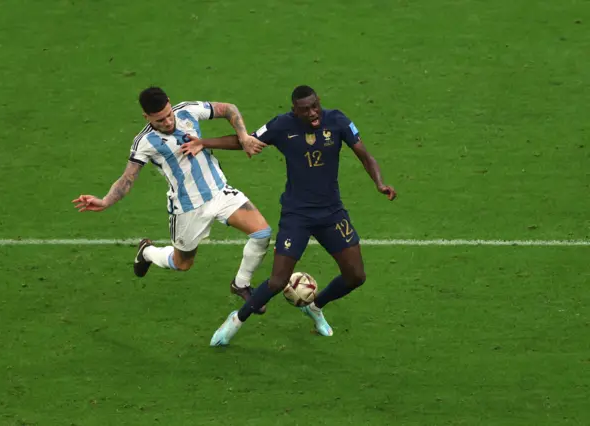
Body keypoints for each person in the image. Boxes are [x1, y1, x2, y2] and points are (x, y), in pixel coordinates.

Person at [180, 85, 397, 346]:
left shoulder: (337, 121)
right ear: (295, 111)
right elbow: (245, 140)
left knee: (356, 276)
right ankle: (235, 320)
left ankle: (315, 306)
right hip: (297, 215)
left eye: (315, 106)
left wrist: (379, 183)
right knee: (277, 280)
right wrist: (204, 142)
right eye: (306, 110)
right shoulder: (282, 126)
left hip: (332, 213)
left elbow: (364, 154)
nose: (313, 113)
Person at [72, 86, 271, 312]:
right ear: (146, 117)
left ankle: (240, 284)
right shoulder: (144, 142)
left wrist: (243, 136)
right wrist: (106, 200)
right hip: (187, 209)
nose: (167, 122)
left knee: (262, 233)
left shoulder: (187, 111)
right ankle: (147, 252)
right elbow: (128, 177)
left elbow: (228, 108)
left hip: (220, 192)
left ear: (169, 102)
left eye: (168, 115)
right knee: (182, 264)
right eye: (159, 120)